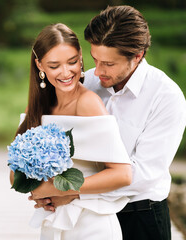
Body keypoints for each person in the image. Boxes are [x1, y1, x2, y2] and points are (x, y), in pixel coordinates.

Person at [33, 6, 186, 240]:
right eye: (95, 59)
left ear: (138, 56)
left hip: (140, 215)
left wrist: (71, 192)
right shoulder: (88, 83)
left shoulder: (166, 97)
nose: (98, 71)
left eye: (109, 64)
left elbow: (144, 174)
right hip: (89, 218)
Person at [10, 23, 132, 239]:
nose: (66, 73)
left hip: (92, 221)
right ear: (39, 65)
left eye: (72, 62)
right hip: (54, 221)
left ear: (81, 57)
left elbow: (122, 174)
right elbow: (14, 174)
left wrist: (61, 190)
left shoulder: (88, 104)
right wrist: (40, 191)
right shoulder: (36, 109)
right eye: (54, 65)